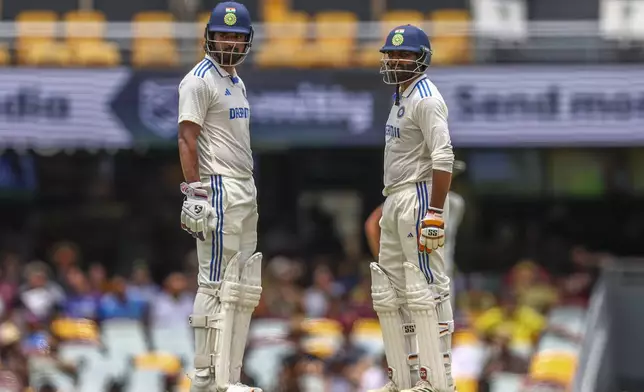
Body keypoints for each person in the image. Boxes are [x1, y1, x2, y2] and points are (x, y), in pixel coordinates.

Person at [177, 2, 262, 391]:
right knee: (213, 281)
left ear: (246, 40)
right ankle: (205, 377)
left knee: (242, 285)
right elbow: (186, 138)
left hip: (245, 185)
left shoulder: (237, 80)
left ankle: (228, 374)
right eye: (223, 34)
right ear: (209, 36)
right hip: (218, 187)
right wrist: (195, 191)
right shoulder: (197, 80)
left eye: (236, 35)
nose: (229, 41)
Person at [368, 24, 456, 392]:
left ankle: (437, 378)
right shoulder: (401, 96)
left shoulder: (426, 99)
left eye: (404, 54)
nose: (396, 60)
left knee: (426, 287)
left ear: (421, 59)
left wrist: (434, 212)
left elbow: (444, 156)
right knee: (391, 290)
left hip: (419, 198)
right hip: (395, 198)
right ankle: (403, 375)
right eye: (392, 54)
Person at [365, 161, 466, 303]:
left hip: (443, 277)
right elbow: (372, 224)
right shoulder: (411, 199)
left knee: (443, 323)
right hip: (412, 278)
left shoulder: (455, 204)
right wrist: (384, 264)